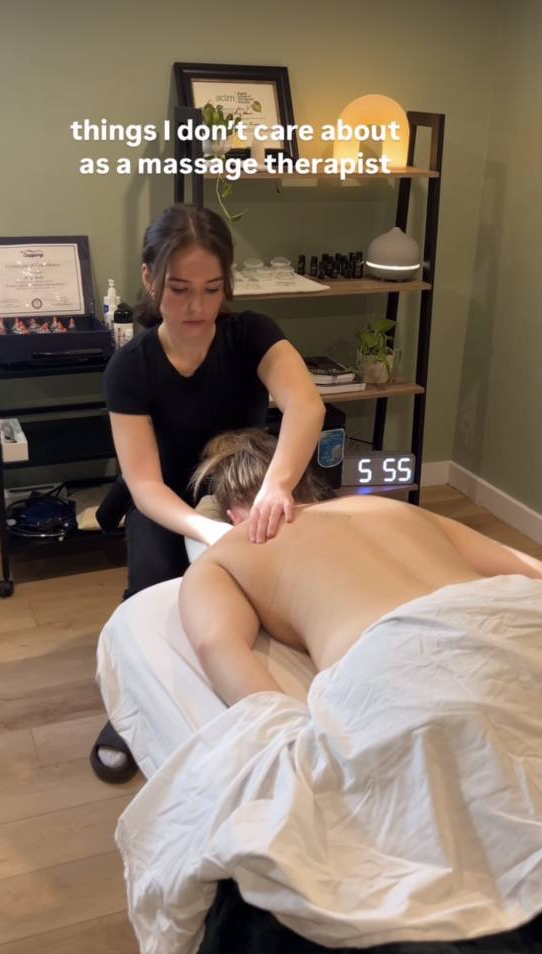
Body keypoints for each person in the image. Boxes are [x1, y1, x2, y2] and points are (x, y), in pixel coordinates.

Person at [90, 206, 326, 781]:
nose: (197, 306)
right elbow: (144, 483)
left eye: (212, 289)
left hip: (243, 483)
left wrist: (276, 488)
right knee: (157, 588)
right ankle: (133, 700)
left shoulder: (252, 335)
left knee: (283, 589)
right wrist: (208, 531)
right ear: (150, 279)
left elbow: (305, 406)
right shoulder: (130, 368)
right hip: (167, 500)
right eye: (179, 289)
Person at [180, 428, 542, 706]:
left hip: (398, 659)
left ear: (233, 515)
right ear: (308, 486)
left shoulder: (230, 551)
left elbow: (217, 645)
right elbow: (529, 567)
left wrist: (286, 736)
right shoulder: (395, 507)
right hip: (517, 617)